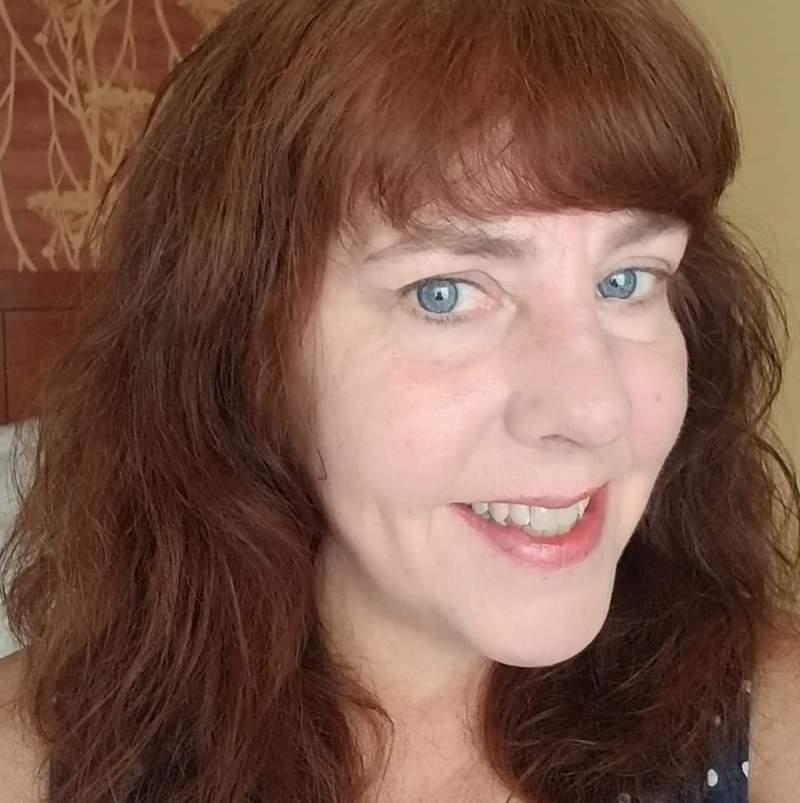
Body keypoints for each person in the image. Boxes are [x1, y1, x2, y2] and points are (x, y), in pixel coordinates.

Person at [0, 0, 798, 800]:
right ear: (243, 347)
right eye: (444, 294)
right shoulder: (33, 761)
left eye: (626, 280)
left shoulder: (770, 728)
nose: (596, 411)